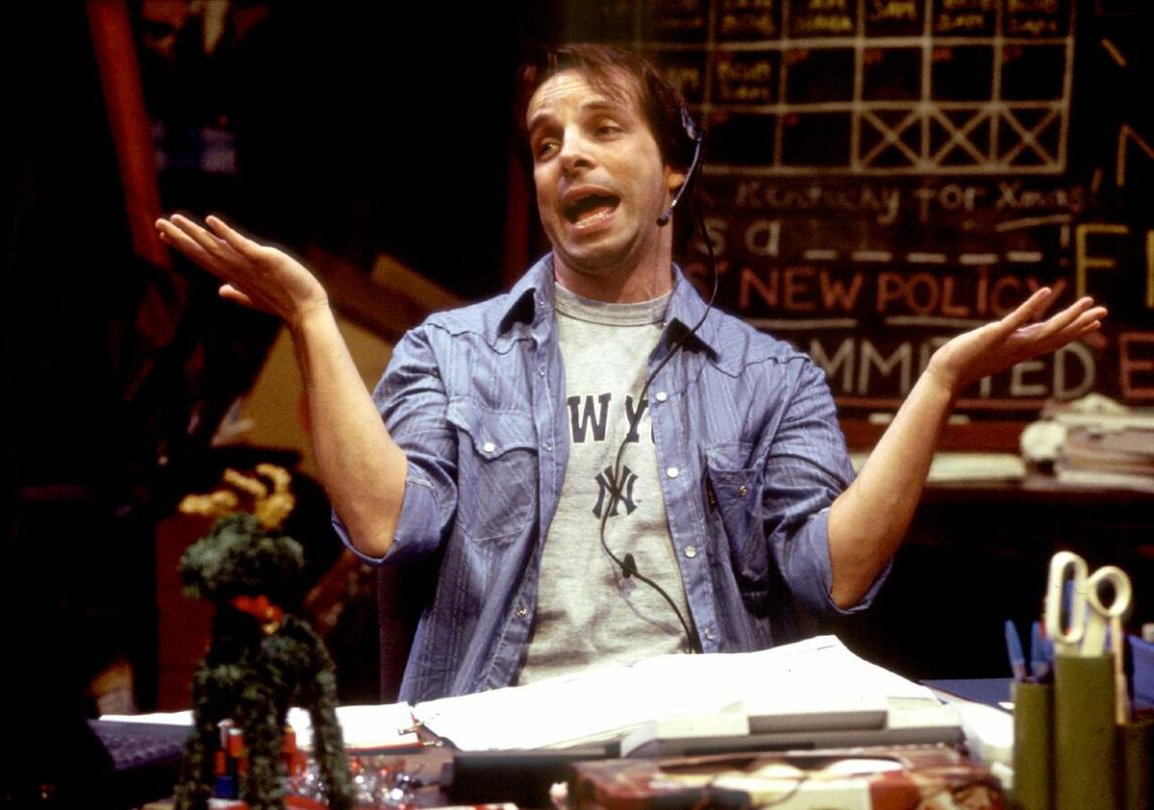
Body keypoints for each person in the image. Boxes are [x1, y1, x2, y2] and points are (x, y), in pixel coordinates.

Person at [155, 44, 1106, 703]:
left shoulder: (769, 379)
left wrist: (937, 385)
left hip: (700, 750)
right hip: (499, 740)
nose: (568, 154)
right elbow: (382, 522)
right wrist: (314, 318)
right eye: (544, 142)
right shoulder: (450, 352)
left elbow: (839, 575)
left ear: (674, 173)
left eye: (602, 129)